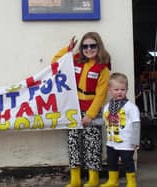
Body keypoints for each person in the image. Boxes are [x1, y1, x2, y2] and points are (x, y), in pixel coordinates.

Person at [52, 32, 111, 187]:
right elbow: (56, 63)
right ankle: (75, 179)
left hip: (91, 111)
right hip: (73, 109)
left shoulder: (103, 68)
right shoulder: (75, 59)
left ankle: (93, 179)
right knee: (73, 143)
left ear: (99, 46)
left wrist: (90, 115)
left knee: (92, 143)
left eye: (93, 45)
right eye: (85, 46)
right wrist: (68, 49)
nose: (89, 49)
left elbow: (101, 94)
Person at [100, 72, 140, 187]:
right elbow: (104, 121)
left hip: (126, 143)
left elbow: (136, 123)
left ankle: (131, 182)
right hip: (111, 142)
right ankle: (113, 181)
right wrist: (91, 122)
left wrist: (135, 140)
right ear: (110, 90)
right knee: (111, 162)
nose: (119, 92)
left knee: (128, 162)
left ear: (127, 90)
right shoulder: (107, 106)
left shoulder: (131, 107)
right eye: (116, 89)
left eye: (122, 89)